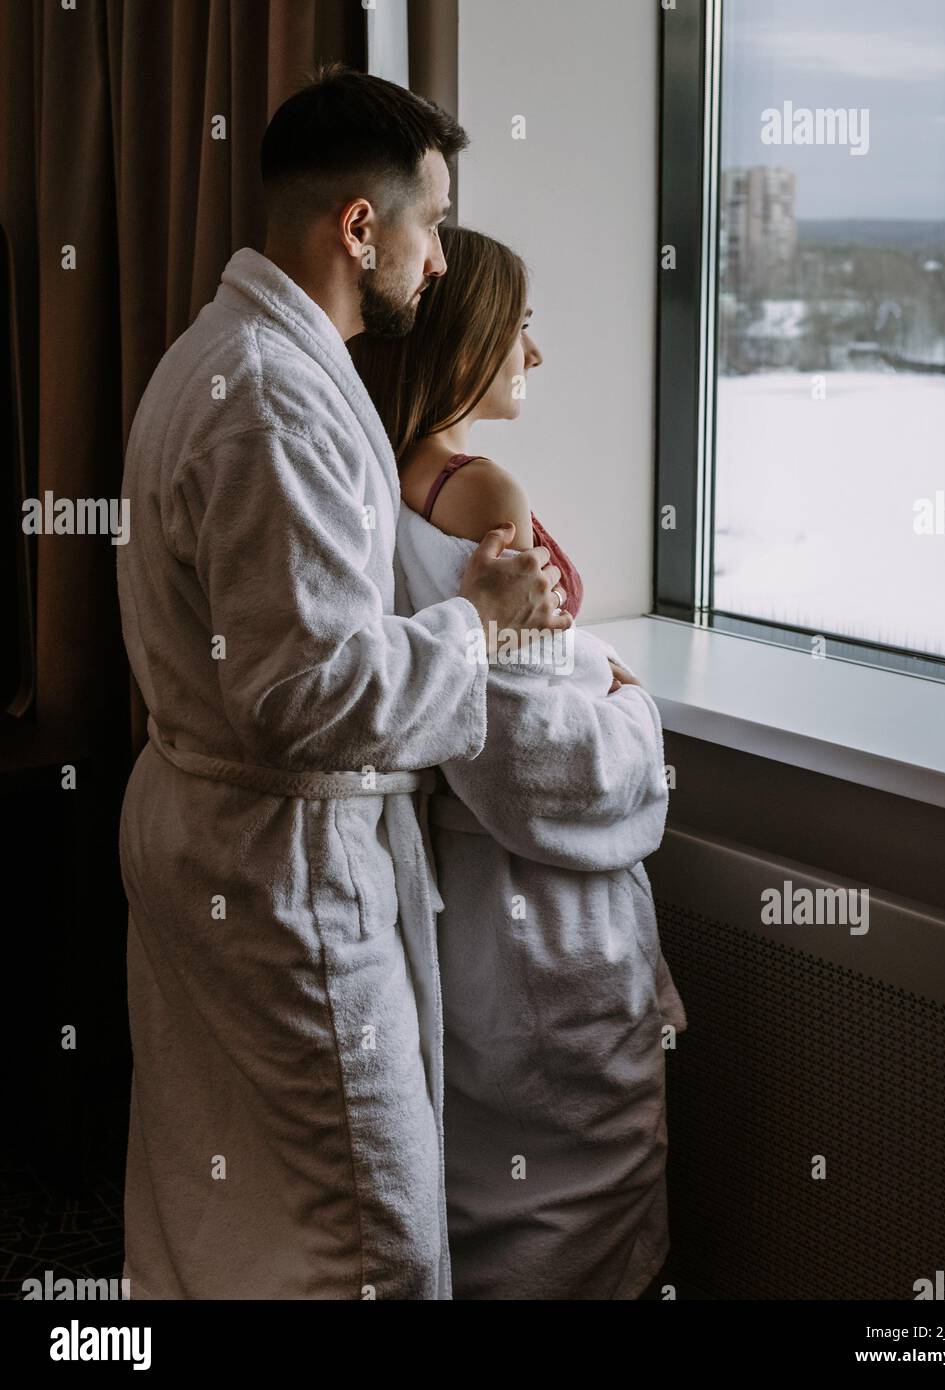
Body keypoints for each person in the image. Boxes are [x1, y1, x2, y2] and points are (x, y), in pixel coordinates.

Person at [115, 66, 572, 1301]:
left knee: (219, 1199)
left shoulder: (234, 354)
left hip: (219, 834)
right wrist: (478, 621)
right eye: (427, 224)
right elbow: (301, 688)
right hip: (278, 865)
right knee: (364, 1236)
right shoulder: (268, 397)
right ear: (359, 227)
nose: (437, 259)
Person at [351, 226, 688, 1299]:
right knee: (581, 1207)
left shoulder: (378, 476)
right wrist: (632, 714)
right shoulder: (479, 487)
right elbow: (530, 753)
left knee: (493, 1198)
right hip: (538, 912)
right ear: (464, 342)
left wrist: (573, 657)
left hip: (459, 906)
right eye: (521, 330)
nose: (532, 356)